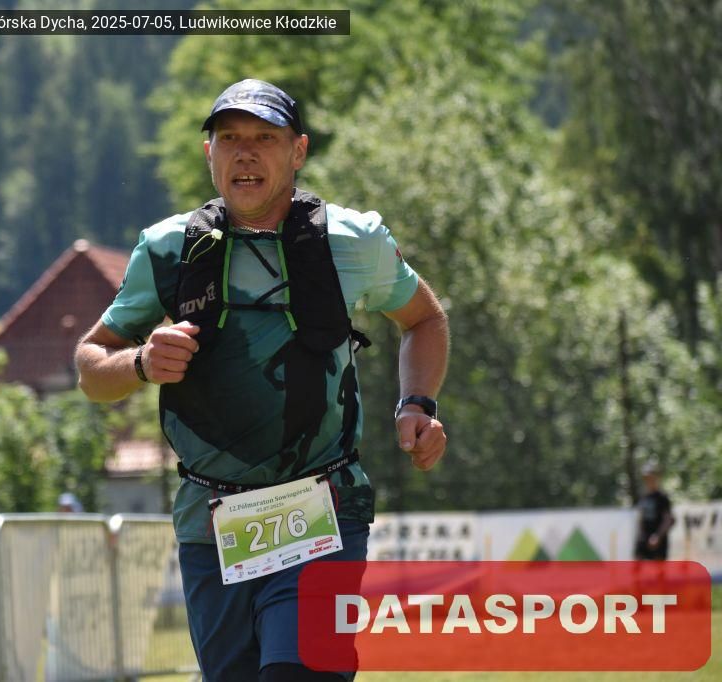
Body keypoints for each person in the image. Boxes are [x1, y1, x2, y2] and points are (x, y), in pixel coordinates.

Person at [75, 79, 449, 681]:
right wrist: (140, 363)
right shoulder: (167, 249)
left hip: (323, 509)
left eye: (264, 138)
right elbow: (91, 366)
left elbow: (425, 319)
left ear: (298, 151)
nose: (244, 153)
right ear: (209, 154)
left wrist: (417, 403)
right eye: (229, 139)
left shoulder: (352, 241)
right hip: (210, 523)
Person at [634, 461, 673, 561]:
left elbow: (668, 520)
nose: (649, 481)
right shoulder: (643, 496)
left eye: (651, 477)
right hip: (644, 537)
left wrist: (658, 536)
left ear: (656, 478)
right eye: (646, 478)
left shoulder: (662, 497)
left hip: (659, 540)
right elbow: (641, 517)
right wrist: (641, 534)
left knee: (658, 568)